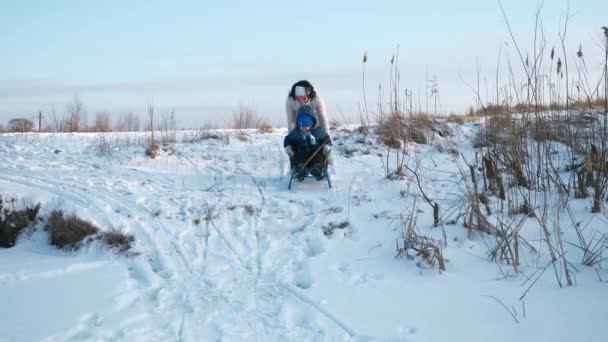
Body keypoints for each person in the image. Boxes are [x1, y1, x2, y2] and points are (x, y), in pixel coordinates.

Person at [284, 105, 331, 182]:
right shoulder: (296, 133)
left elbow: (326, 139)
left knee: (319, 156)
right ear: (298, 123)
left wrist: (327, 145)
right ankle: (300, 171)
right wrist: (288, 147)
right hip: (301, 156)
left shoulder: (318, 131)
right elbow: (288, 140)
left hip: (315, 154)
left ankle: (317, 170)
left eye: (307, 124)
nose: (304, 127)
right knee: (298, 155)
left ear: (312, 122)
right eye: (301, 124)